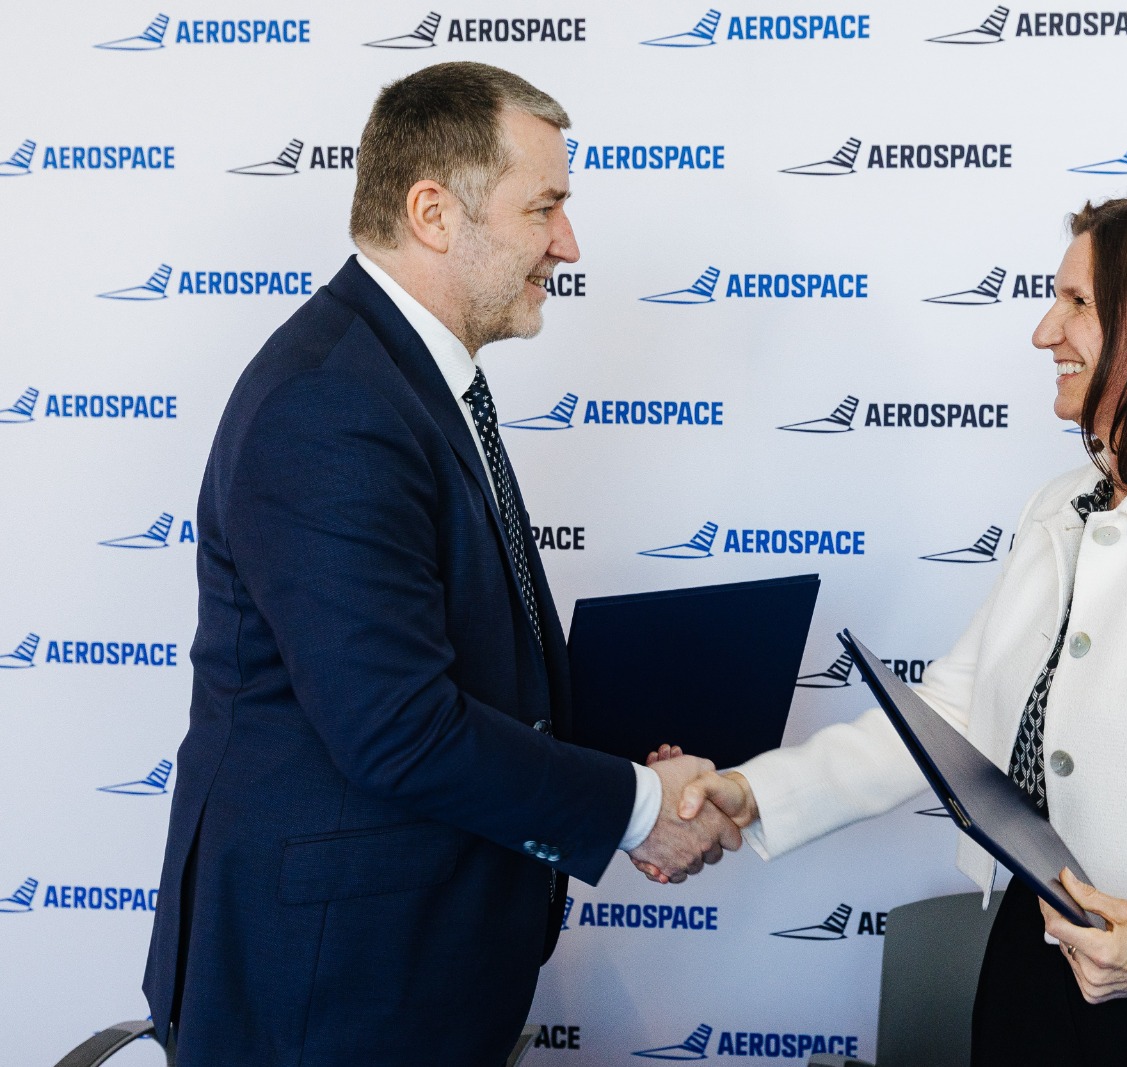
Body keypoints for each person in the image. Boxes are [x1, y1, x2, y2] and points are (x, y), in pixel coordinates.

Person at [672, 194, 1127, 1063]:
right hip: (1040, 970)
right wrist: (752, 792)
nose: (1043, 332)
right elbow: (948, 722)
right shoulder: (1059, 507)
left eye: (1077, 303)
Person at [142, 62, 738, 1067]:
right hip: (326, 994)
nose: (567, 243)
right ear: (432, 213)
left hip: (409, 971)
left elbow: (465, 663)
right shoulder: (330, 403)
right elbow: (397, 726)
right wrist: (637, 807)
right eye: (543, 207)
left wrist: (630, 764)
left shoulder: (402, 378)